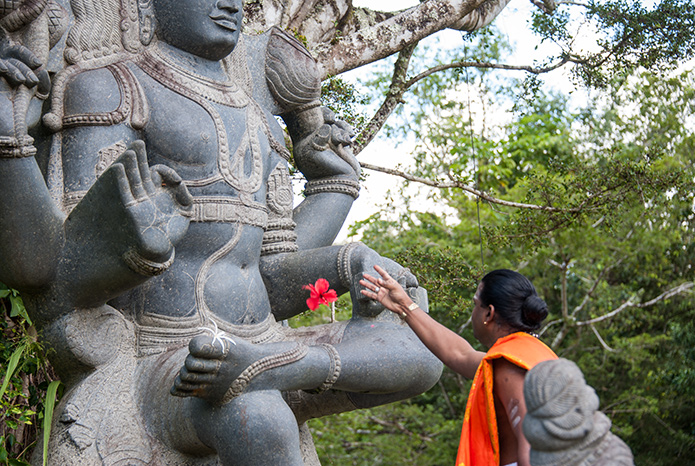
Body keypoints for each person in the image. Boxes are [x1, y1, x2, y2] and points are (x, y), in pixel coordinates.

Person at [0, 0, 443, 464]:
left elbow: (269, 275)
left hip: (257, 340)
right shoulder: (113, 88)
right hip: (167, 356)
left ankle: (265, 367)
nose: (230, 4)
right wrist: (130, 248)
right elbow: (54, 280)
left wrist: (349, 261)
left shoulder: (260, 121)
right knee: (257, 413)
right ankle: (258, 373)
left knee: (420, 348)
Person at [361, 266, 558, 466]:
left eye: (475, 304)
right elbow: (459, 354)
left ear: (488, 314)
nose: (472, 312)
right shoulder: (529, 355)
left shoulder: (509, 365)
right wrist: (404, 306)